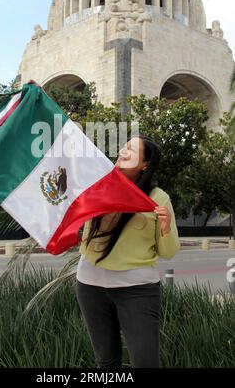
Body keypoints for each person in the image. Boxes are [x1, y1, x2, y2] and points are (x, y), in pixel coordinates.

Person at [75, 134, 180, 368]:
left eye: (131, 150)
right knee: (106, 362)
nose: (123, 151)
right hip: (90, 286)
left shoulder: (157, 198)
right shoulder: (98, 183)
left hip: (137, 289)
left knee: (145, 363)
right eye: (124, 146)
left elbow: (168, 252)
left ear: (145, 164)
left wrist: (165, 227)